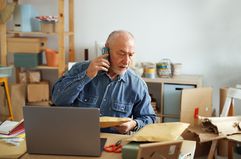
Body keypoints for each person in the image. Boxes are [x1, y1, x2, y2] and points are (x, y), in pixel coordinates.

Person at [52, 30, 156, 134]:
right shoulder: (79, 69)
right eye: (121, 53)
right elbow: (58, 100)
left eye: (130, 55)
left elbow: (149, 118)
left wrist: (134, 124)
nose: (126, 61)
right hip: (76, 137)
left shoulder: (137, 84)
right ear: (106, 51)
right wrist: (87, 75)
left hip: (112, 144)